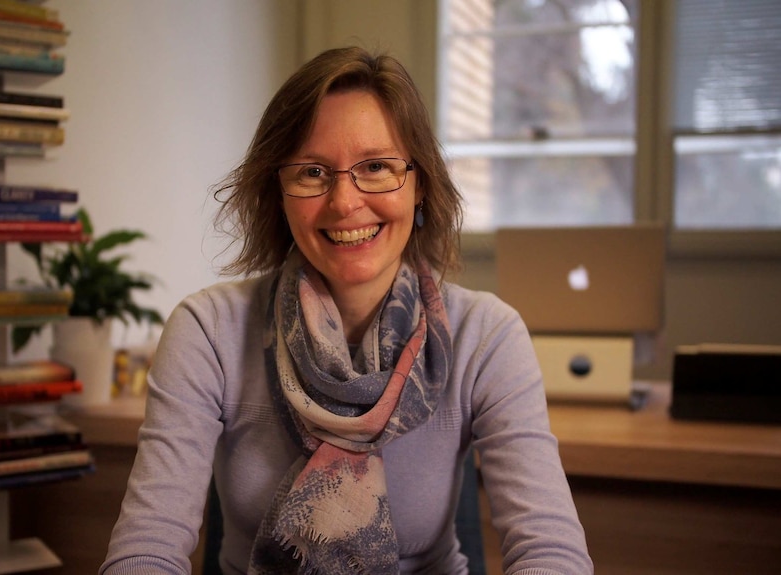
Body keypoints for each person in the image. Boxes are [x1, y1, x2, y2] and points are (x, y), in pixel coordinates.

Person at [100, 46, 593, 575]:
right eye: (312, 172)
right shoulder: (209, 332)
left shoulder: (487, 335)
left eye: (376, 167)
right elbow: (145, 549)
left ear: (420, 183)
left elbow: (550, 552)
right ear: (279, 192)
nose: (344, 203)